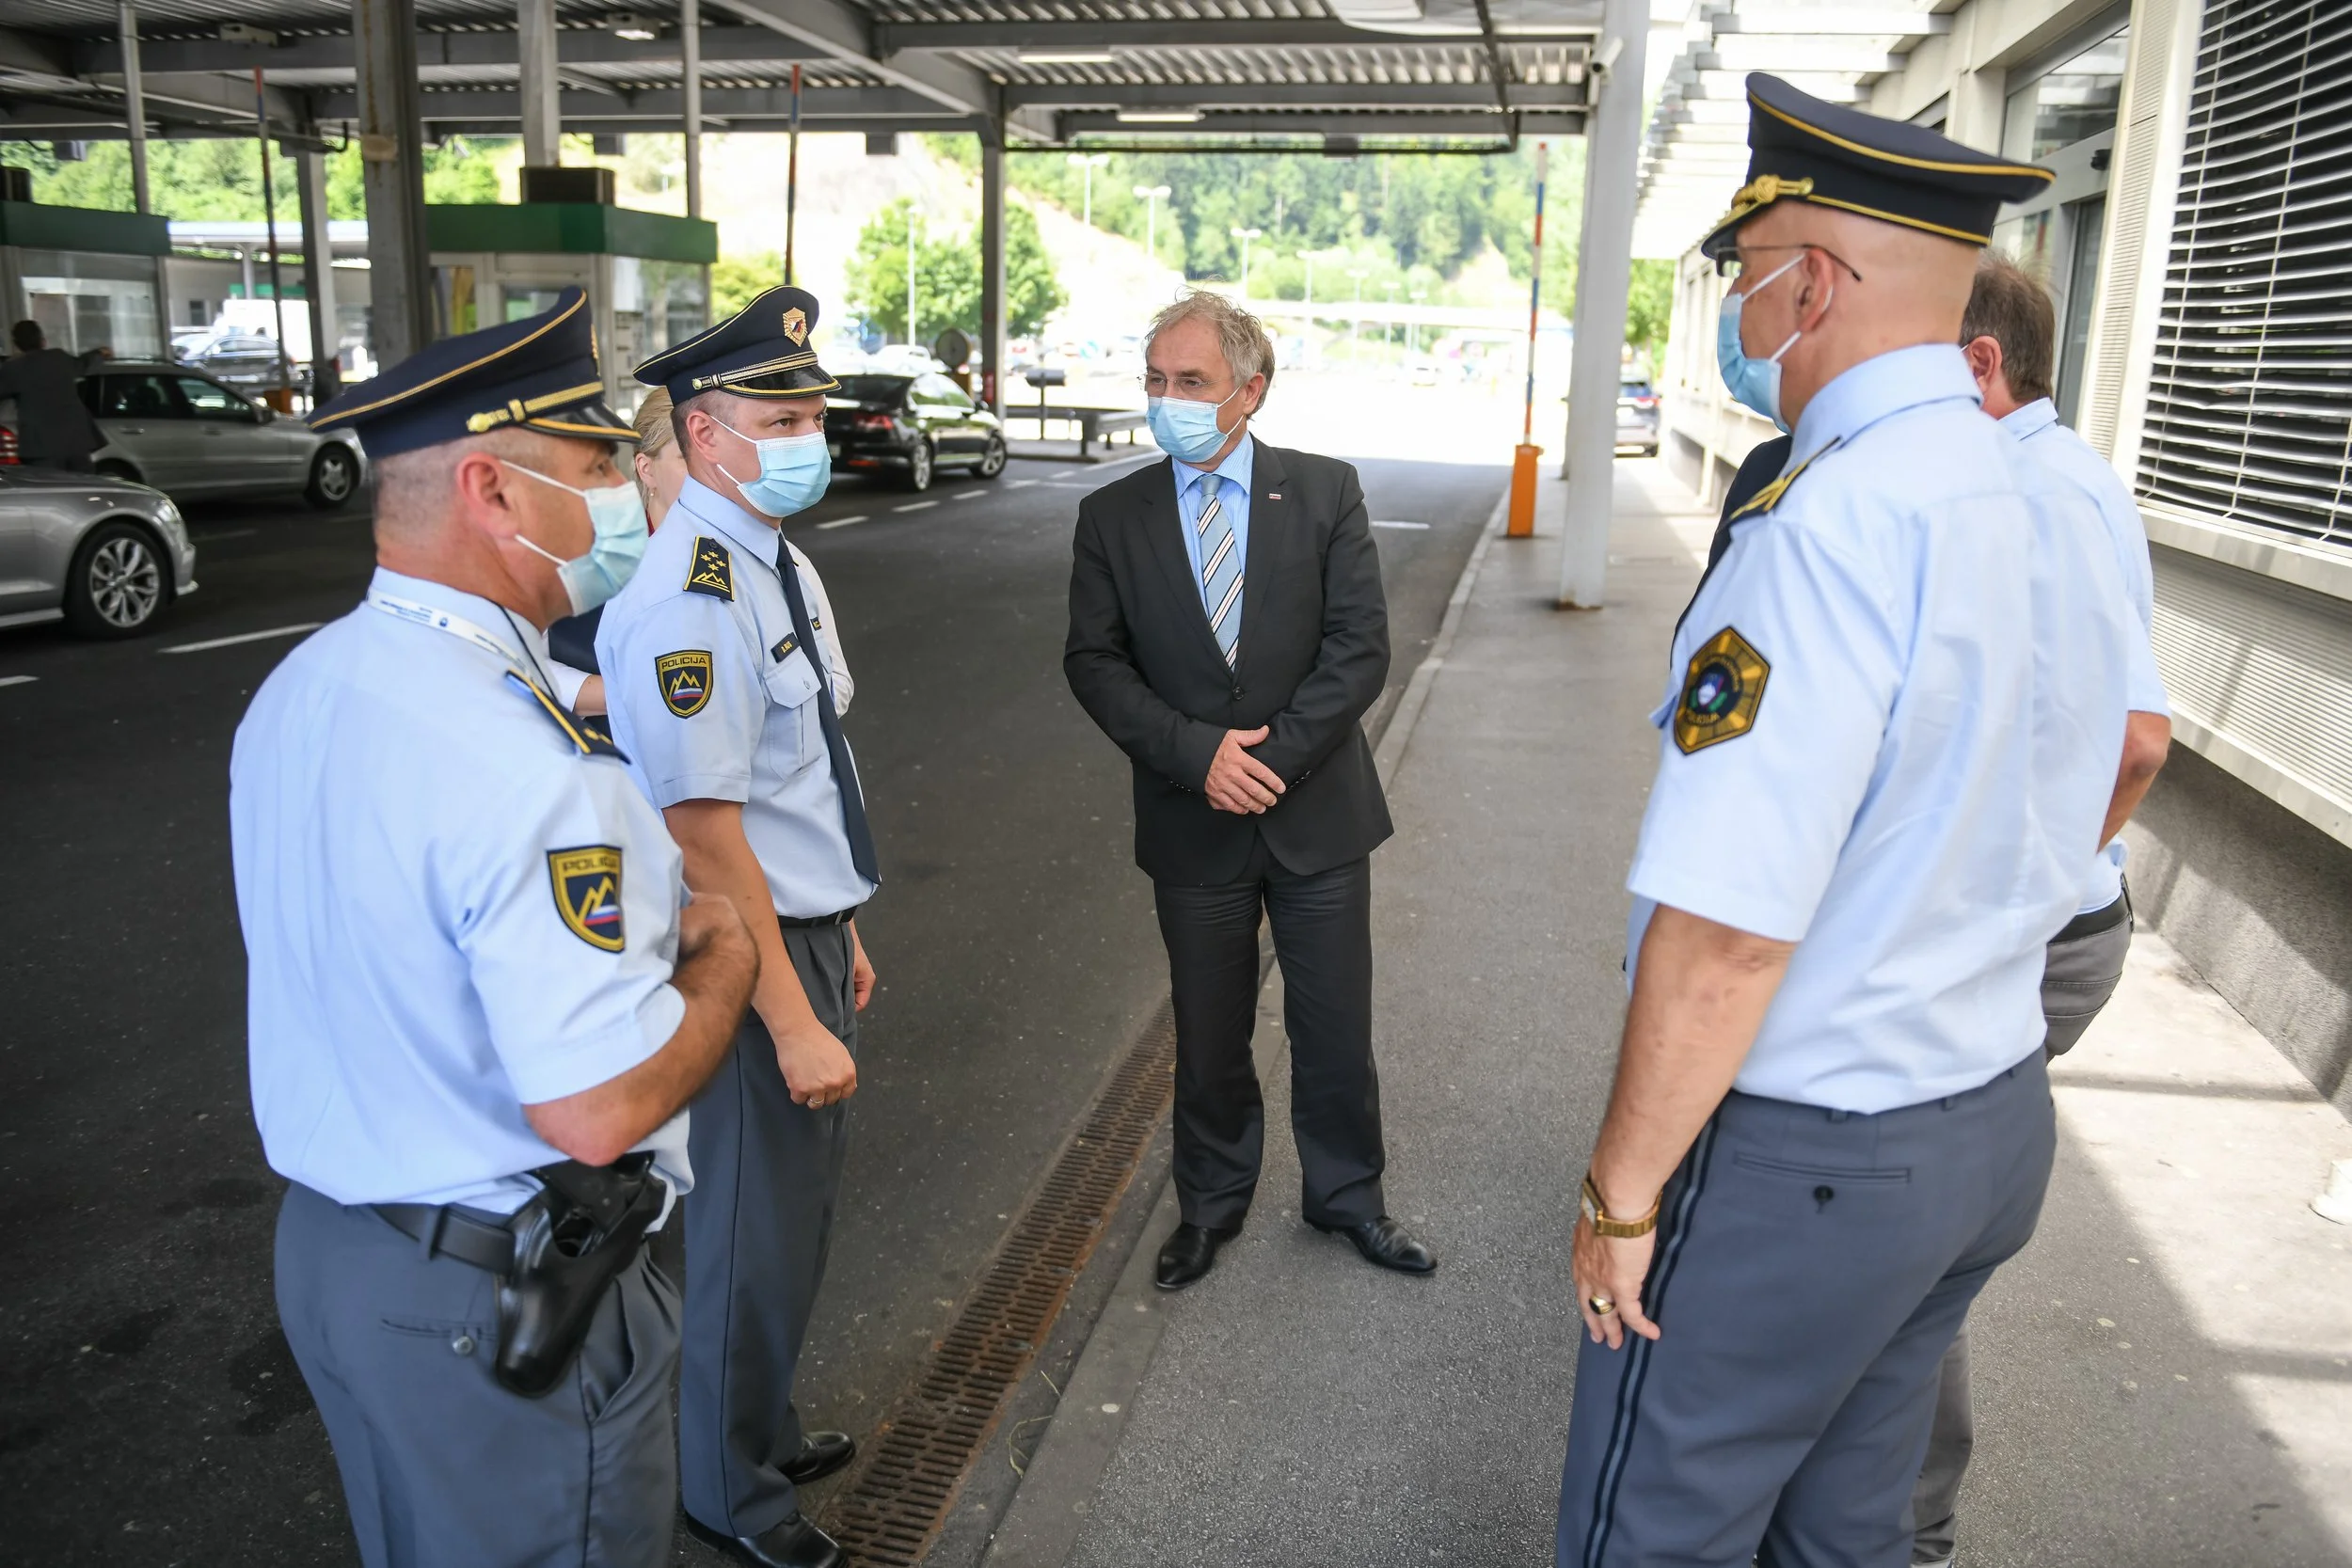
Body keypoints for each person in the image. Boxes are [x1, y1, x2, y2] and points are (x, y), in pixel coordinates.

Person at [1555, 75, 2149, 1568]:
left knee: (1654, 1528)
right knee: (1846, 1532)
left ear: (1807, 281)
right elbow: (2104, 763)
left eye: (1742, 276)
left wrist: (1620, 1193)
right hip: (1987, 1114)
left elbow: (1729, 928)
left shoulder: (1831, 521)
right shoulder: (2041, 489)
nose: (1738, 314)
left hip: (1809, 1153)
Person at [230, 286, 760, 1568]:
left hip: (340, 1256)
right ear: (493, 488)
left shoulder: (304, 687)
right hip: (498, 1293)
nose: (636, 489)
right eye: (594, 463)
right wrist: (728, 961)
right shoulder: (535, 772)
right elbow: (595, 1110)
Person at [1064, 290, 1435, 1291]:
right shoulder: (1112, 516)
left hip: (1315, 811)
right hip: (1195, 821)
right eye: (1155, 380)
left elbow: (1360, 648)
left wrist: (1267, 760)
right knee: (1209, 1032)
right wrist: (1198, 755)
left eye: (1191, 381)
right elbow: (1094, 664)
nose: (1166, 399)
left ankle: (1349, 1198)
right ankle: (1210, 1206)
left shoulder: (1323, 492)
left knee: (1332, 1025)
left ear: (1249, 391)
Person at [1899, 252, 2173, 1568]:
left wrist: (2032, 876)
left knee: (1917, 1228)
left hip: (2037, 935)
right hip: (2039, 922)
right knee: (1915, 1217)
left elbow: (2137, 741)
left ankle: (1912, 1525)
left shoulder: (2036, 491)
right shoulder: (2051, 476)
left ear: (1979, 367)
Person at [596, 286, 872, 1568]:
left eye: (813, 407)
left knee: (791, 1226)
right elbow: (706, 837)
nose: (807, 430)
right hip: (747, 947)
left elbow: (801, 768)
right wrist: (793, 1009)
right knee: (752, 1236)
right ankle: (728, 1491)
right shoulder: (693, 596)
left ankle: (749, 1426)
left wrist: (843, 928)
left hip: (800, 924)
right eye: (781, 412)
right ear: (704, 433)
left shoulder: (772, 550)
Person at [550, 384, 692, 715]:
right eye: (688, 458)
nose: (709, 473)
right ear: (646, 469)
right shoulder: (589, 554)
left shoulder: (767, 551)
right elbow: (527, 668)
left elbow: (829, 676)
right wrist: (649, 696)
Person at [0, 320, 109, 471]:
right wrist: (100, 353)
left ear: (16, 344)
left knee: (50, 491)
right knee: (83, 488)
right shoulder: (59, 358)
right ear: (42, 341)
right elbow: (83, 364)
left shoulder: (12, 369)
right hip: (76, 443)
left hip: (40, 449)